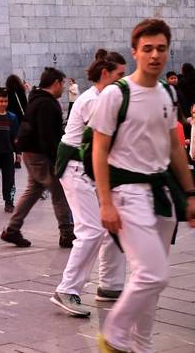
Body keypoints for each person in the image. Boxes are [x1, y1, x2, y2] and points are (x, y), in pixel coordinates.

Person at [87, 20, 195, 353]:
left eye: (161, 48)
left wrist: (190, 193)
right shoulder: (116, 95)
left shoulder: (167, 93)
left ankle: (141, 346)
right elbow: (99, 149)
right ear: (135, 52)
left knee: (148, 282)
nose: (154, 55)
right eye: (147, 48)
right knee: (153, 274)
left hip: (161, 193)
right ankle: (114, 336)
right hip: (126, 192)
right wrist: (105, 203)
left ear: (167, 51)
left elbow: (174, 146)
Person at [50, 49, 127, 318]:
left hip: (87, 168)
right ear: (105, 74)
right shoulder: (95, 101)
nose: (124, 81)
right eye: (120, 75)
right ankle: (67, 289)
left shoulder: (102, 97)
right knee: (91, 230)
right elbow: (113, 140)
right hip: (75, 168)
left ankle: (110, 284)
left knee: (113, 221)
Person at [0, 67, 74, 249]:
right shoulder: (47, 104)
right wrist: (58, 160)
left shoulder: (37, 99)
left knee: (33, 190)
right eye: (62, 84)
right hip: (40, 155)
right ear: (56, 83)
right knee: (59, 191)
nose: (63, 88)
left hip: (31, 153)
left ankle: (12, 230)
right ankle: (67, 232)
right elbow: (48, 137)